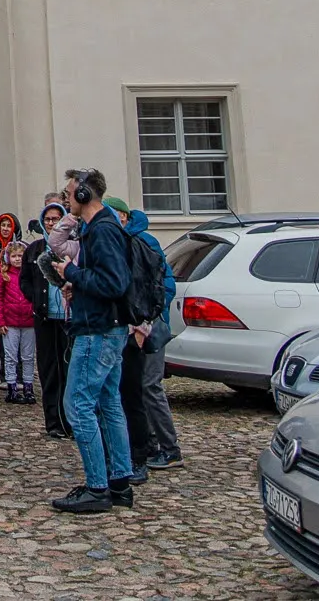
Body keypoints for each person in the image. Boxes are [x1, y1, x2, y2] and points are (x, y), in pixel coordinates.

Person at [52, 168, 137, 514]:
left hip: (97, 331)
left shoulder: (101, 231)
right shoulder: (100, 228)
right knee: (108, 403)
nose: (67, 197)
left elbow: (114, 283)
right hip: (107, 326)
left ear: (85, 194)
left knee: (79, 406)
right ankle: (119, 482)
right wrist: (79, 283)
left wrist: (70, 273)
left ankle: (98, 487)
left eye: (70, 191)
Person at [113, 199, 182, 472]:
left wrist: (148, 319)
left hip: (149, 326)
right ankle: (149, 442)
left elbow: (164, 284)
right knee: (136, 388)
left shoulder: (145, 241)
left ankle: (171, 449)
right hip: (130, 327)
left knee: (150, 386)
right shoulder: (118, 241)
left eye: (116, 215)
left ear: (125, 216)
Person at [20, 198, 75, 439]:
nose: (51, 223)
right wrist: (35, 298)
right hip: (44, 319)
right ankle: (53, 421)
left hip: (68, 319)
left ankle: (71, 420)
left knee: (70, 370)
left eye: (56, 219)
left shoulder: (72, 247)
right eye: (48, 219)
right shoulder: (35, 250)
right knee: (49, 371)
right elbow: (24, 280)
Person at [0, 238, 38, 403]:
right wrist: (0, 322)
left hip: (28, 323)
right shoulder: (3, 277)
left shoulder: (31, 276)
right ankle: (11, 386)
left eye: (21, 255)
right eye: (14, 256)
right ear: (8, 258)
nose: (18, 259)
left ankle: (28, 386)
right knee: (10, 356)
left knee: (27, 357)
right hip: (10, 323)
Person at [0, 213, 19, 375]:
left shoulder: (21, 248)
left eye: (9, 226)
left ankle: (19, 374)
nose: (6, 229)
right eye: (3, 225)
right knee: (2, 338)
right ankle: (5, 372)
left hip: (16, 300)